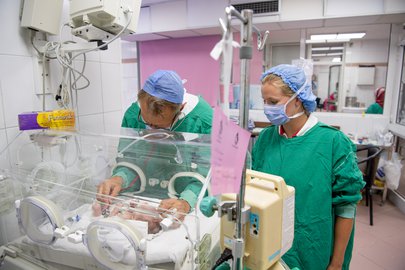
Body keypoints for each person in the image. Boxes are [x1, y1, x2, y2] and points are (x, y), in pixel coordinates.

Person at [252, 64, 365, 270]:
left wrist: (337, 263)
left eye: (273, 102)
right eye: (265, 101)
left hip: (313, 248)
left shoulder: (333, 142)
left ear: (298, 100)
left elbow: (346, 208)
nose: (267, 108)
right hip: (269, 244)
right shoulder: (266, 138)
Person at [98, 70, 213, 218]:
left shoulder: (203, 122)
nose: (151, 131)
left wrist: (186, 201)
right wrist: (119, 179)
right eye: (146, 123)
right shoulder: (134, 115)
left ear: (181, 109)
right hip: (143, 198)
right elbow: (129, 160)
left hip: (186, 204)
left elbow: (210, 175)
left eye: (159, 127)